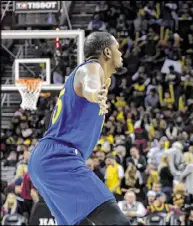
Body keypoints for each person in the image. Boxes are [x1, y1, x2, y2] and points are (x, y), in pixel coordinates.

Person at [28, 32, 130, 225]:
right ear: (107, 52)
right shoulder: (92, 68)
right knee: (117, 222)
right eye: (117, 48)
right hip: (58, 158)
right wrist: (94, 93)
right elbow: (89, 82)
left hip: (47, 159)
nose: (121, 53)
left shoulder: (96, 76)